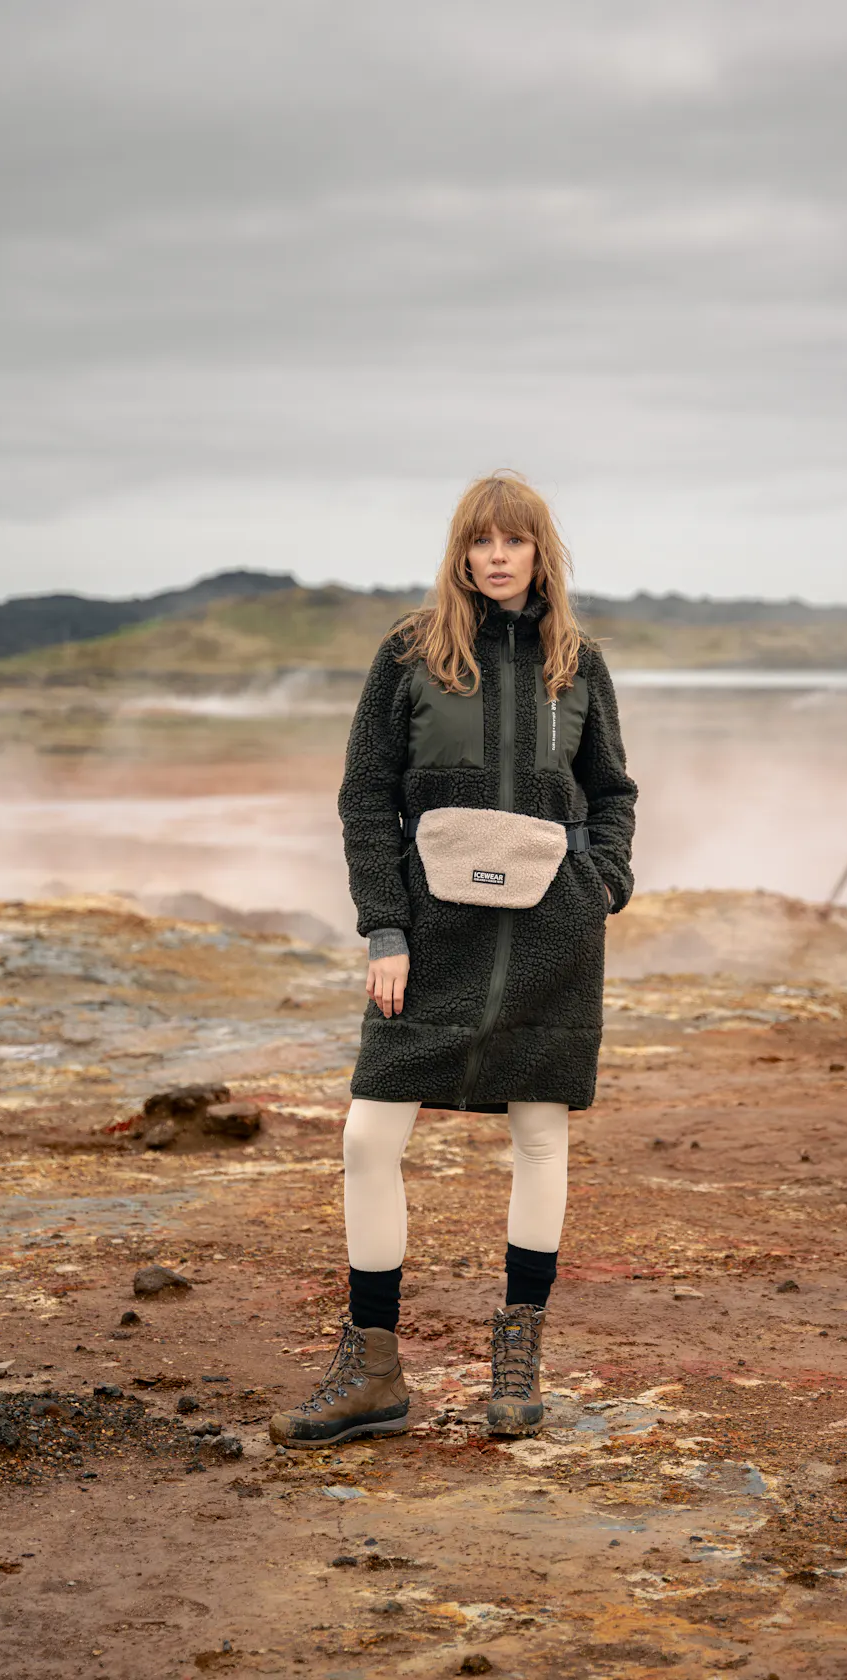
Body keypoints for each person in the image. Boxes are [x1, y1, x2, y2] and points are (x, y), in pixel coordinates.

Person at [270, 471, 636, 1448]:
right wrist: (384, 929)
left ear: (539, 551)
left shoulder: (579, 665)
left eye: (515, 540)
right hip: (432, 936)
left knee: (540, 1139)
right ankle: (374, 1369)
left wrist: (601, 883)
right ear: (461, 552)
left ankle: (517, 1358)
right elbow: (365, 797)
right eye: (482, 541)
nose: (498, 556)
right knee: (367, 1137)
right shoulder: (409, 654)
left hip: (551, 936)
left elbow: (610, 791)